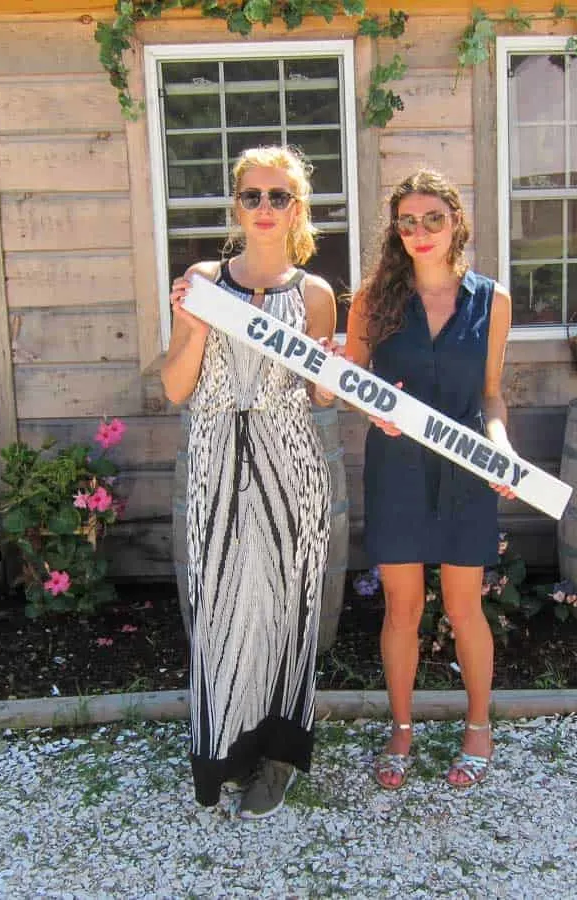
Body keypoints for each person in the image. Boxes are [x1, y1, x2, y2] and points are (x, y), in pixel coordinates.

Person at [162, 146, 337, 818]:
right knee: (221, 609)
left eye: (279, 196)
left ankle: (276, 757)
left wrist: (333, 371)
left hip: (289, 466)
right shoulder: (203, 279)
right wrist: (191, 324)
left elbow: (321, 399)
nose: (265, 208)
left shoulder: (315, 295)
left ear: (298, 209)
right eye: (252, 196)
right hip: (214, 461)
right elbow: (178, 386)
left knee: (286, 608)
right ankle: (223, 751)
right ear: (235, 205)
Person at [335, 168, 518, 790]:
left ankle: (478, 728)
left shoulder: (491, 300)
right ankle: (402, 729)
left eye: (432, 219)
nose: (419, 232)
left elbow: (491, 397)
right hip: (398, 468)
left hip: (467, 473)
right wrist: (373, 408)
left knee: (466, 609)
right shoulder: (372, 300)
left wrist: (502, 450)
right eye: (407, 222)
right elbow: (346, 384)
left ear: (456, 223)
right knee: (402, 608)